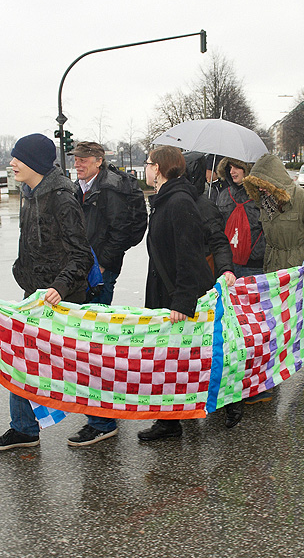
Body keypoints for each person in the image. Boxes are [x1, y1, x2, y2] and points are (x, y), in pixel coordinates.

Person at [0, 134, 96, 449]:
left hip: (60, 298)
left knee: (77, 366)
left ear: (34, 162)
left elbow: (81, 255)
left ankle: (102, 421)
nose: (12, 163)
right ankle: (23, 429)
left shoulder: (61, 198)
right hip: (34, 295)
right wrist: (21, 271)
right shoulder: (29, 193)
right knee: (19, 360)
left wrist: (59, 287)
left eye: (17, 158)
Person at [243, 154, 304, 397]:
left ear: (275, 181)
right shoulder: (265, 204)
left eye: (264, 185)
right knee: (274, 327)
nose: (261, 191)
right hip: (275, 274)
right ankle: (268, 382)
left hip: (303, 274)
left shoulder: (303, 200)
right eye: (257, 186)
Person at [69, 141, 146, 443]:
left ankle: (103, 421)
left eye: (84, 159)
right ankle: (107, 409)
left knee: (94, 344)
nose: (78, 163)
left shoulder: (110, 189)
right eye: (76, 158)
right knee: (92, 342)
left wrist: (104, 265)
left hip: (99, 271)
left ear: (98, 161)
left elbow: (120, 232)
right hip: (85, 268)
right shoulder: (83, 186)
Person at [137, 146, 215, 441]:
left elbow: (189, 255)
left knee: (181, 357)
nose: (145, 169)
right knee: (170, 357)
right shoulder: (165, 199)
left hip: (175, 295)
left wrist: (182, 301)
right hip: (164, 290)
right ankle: (170, 420)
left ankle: (223, 404)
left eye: (147, 164)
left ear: (157, 168)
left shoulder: (179, 201)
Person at [183, 151, 240, 427]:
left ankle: (231, 404)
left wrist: (224, 270)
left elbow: (219, 242)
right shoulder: (178, 200)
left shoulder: (203, 205)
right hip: (188, 283)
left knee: (216, 348)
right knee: (193, 348)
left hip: (204, 284)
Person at [216, 156, 266, 280]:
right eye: (230, 168)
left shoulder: (260, 194)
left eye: (237, 167)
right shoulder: (224, 195)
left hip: (254, 265)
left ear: (246, 169)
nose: (232, 172)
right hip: (230, 266)